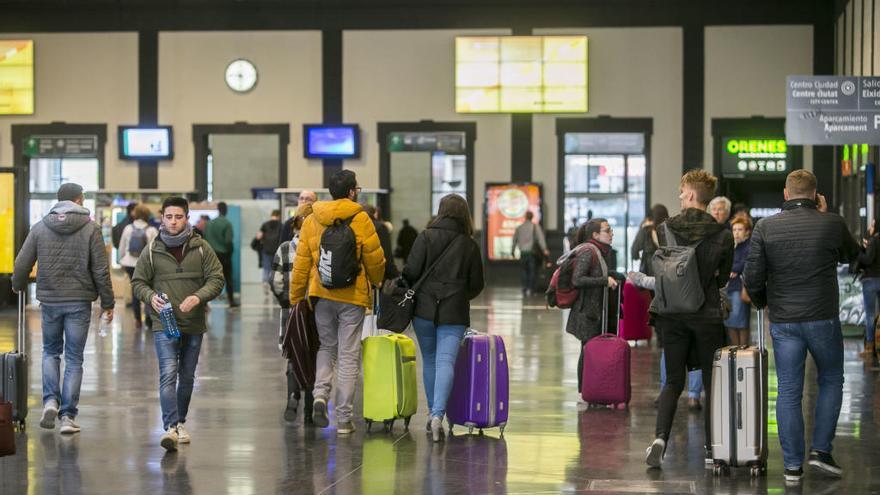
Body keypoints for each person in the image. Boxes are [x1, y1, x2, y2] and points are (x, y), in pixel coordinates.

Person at [743, 170, 859, 482]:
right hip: (823, 316)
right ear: (815, 194)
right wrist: (825, 215)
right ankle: (821, 450)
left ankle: (792, 467)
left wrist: (763, 301)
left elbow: (752, 276)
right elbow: (853, 255)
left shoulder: (765, 227)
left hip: (784, 321)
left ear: (785, 193)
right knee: (832, 379)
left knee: (789, 390)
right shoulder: (832, 222)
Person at [645, 169, 733, 469]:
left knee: (672, 381)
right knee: (711, 382)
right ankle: (712, 449)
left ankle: (660, 438)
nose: (680, 196)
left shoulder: (666, 227)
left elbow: (660, 267)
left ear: (692, 194)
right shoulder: (723, 233)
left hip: (672, 314)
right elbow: (723, 278)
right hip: (707, 315)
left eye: (682, 192)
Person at [12, 183, 115, 434]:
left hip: (50, 300)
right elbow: (100, 270)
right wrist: (108, 303)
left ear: (59, 201)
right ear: (79, 200)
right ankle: (67, 416)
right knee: (74, 359)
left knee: (50, 352)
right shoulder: (91, 229)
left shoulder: (40, 227)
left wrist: (17, 285)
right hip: (79, 301)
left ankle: (50, 401)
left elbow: (22, 262)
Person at [289, 170, 385, 435]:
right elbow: (375, 260)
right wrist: (376, 282)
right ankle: (343, 419)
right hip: (352, 297)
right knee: (348, 355)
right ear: (352, 191)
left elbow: (301, 264)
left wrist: (297, 297)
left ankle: (320, 396)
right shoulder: (361, 218)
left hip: (321, 295)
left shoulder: (312, 219)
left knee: (326, 348)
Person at [131, 196, 226, 452]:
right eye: (169, 217)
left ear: (187, 219)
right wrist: (151, 297)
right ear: (162, 218)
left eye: (178, 217)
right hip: (164, 324)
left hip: (193, 324)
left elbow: (217, 279)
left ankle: (181, 420)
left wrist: (198, 296)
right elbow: (138, 283)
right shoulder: (151, 250)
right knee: (168, 374)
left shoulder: (202, 249)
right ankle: (170, 427)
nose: (173, 222)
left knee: (187, 377)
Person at [402, 194, 484, 442]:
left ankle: (431, 414)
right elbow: (477, 284)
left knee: (429, 360)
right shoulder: (469, 244)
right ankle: (439, 415)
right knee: (445, 361)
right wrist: (460, 295)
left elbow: (411, 272)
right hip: (454, 311)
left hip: (424, 309)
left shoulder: (425, 237)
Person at [560, 219, 618, 396]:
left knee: (590, 351)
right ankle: (582, 393)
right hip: (587, 313)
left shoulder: (600, 251)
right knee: (587, 352)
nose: (611, 233)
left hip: (593, 311)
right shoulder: (588, 251)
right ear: (595, 235)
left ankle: (590, 390)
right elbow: (577, 279)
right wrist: (604, 281)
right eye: (607, 230)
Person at [270, 203, 314, 424]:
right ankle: (310, 409)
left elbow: (276, 281)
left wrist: (285, 302)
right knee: (314, 356)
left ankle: (292, 396)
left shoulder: (285, 248)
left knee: (292, 354)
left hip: (291, 310)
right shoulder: (317, 246)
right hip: (315, 310)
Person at [119, 204, 159, 329]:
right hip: (146, 265)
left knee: (135, 290)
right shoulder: (152, 230)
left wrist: (121, 261)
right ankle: (148, 317)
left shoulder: (128, 229)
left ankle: (137, 319)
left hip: (130, 264)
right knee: (148, 290)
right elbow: (156, 250)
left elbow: (122, 247)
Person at [724, 216, 753, 346]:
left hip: (740, 288)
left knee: (740, 322)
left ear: (747, 231)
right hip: (729, 288)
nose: (736, 232)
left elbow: (744, 264)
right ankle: (736, 351)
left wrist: (733, 269)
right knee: (730, 321)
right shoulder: (733, 245)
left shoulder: (749, 245)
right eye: (734, 229)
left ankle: (742, 351)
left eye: (740, 229)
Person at [205, 202, 239, 307]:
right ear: (226, 210)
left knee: (208, 279)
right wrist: (229, 251)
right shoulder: (227, 223)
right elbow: (228, 241)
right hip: (224, 255)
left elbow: (205, 239)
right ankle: (231, 301)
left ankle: (204, 303)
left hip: (210, 255)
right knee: (228, 278)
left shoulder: (209, 223)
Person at [511, 211, 549, 296]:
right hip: (532, 253)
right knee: (532, 271)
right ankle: (530, 288)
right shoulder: (535, 227)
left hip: (523, 253)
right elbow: (540, 239)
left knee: (524, 270)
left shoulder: (519, 227)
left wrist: (513, 250)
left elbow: (514, 240)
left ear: (525, 217)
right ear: (532, 217)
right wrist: (544, 249)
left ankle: (524, 287)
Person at [857, 220, 880, 358]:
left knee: (870, 315)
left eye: (872, 224)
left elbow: (868, 259)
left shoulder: (873, 240)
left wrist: (859, 252)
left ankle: (870, 347)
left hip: (871, 280)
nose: (870, 227)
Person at [364, 204, 400, 282]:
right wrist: (396, 275)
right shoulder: (380, 227)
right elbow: (386, 255)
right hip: (377, 276)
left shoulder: (353, 226)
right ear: (374, 214)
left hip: (358, 277)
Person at [631, 204, 669, 276]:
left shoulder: (645, 230)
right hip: (667, 273)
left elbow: (634, 251)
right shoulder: (669, 230)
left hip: (649, 273)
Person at [257, 210, 283, 293]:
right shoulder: (281, 225)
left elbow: (259, 236)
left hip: (266, 250)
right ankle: (275, 287)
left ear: (272, 215)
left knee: (266, 269)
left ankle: (265, 282)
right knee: (276, 269)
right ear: (278, 216)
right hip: (277, 251)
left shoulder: (265, 225)